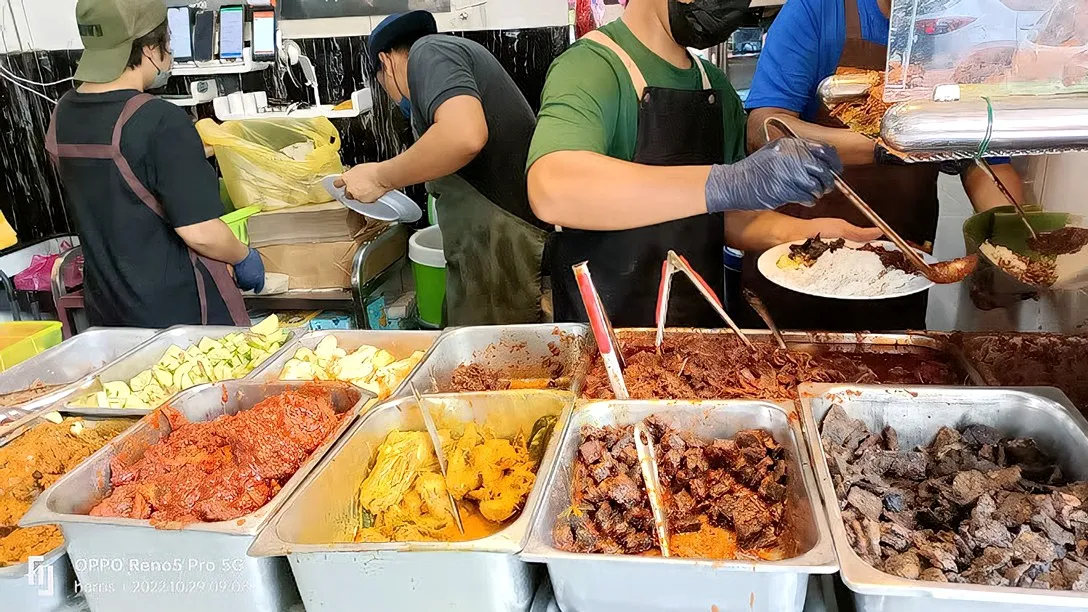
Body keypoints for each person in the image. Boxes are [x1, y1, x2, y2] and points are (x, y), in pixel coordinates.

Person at [526, 0, 882, 327]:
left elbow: (722, 217)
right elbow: (552, 187)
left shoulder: (714, 85)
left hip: (698, 336)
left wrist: (813, 235)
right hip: (606, 344)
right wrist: (727, 182)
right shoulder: (591, 68)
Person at [743, 0, 1026, 331]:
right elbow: (764, 130)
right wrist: (888, 146)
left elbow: (984, 159)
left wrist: (1011, 251)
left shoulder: (963, 33)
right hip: (797, 266)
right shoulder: (818, 8)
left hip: (896, 275)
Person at [47, 0, 263, 328]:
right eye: (169, 43)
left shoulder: (62, 114)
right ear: (150, 48)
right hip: (180, 316)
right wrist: (243, 256)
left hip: (109, 312)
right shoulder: (159, 119)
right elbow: (200, 231)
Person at [338, 11, 549, 326]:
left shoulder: (429, 52)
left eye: (382, 85)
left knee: (503, 364)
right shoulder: (447, 59)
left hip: (502, 243)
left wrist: (379, 178)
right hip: (487, 245)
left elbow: (463, 136)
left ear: (385, 62)